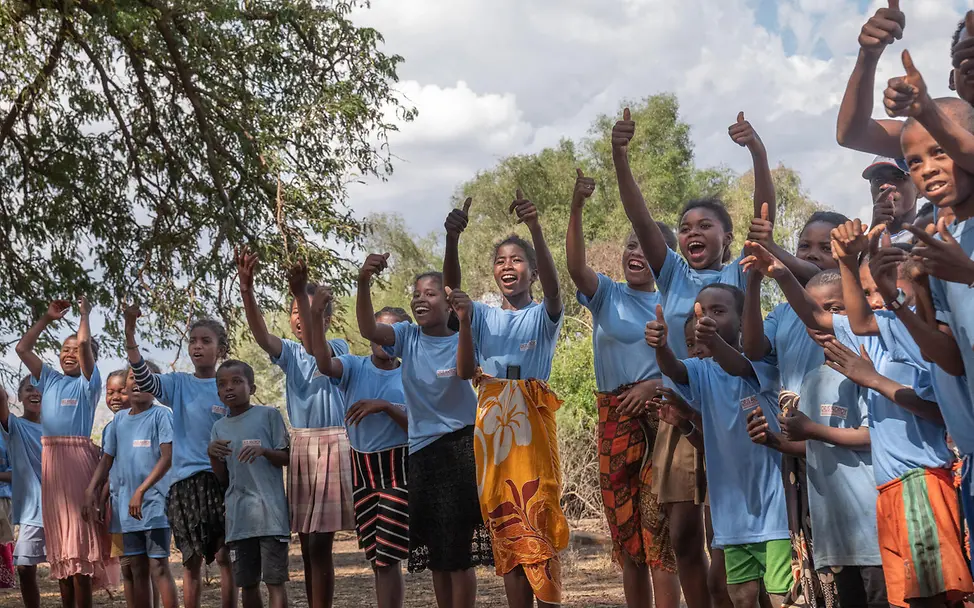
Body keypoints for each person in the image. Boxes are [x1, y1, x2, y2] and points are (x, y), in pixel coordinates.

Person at [744, 234, 972, 608]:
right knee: (911, 598)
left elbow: (938, 410)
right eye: (866, 291)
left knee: (931, 597)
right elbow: (817, 316)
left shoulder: (924, 341)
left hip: (920, 480)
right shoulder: (878, 333)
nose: (873, 300)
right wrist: (782, 274)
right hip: (890, 488)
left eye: (883, 289)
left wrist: (872, 380)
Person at [614, 107, 772, 608]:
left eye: (706, 225)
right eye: (685, 227)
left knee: (727, 530)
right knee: (683, 534)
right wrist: (620, 155)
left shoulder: (745, 271)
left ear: (727, 235)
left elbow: (764, 215)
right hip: (681, 412)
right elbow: (639, 215)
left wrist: (757, 151)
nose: (693, 232)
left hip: (733, 411)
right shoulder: (675, 276)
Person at [443, 190, 570, 608]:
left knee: (539, 512)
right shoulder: (480, 314)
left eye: (517, 260)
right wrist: (452, 240)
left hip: (531, 419)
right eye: (500, 261)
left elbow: (554, 290)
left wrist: (535, 225)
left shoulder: (542, 314)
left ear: (532, 271)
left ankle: (548, 599)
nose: (507, 266)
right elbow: (452, 293)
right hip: (492, 422)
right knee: (506, 523)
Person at [566, 166, 680, 608]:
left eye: (646, 245)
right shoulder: (607, 295)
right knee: (626, 536)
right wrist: (576, 206)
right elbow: (576, 267)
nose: (636, 251)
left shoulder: (676, 301)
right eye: (630, 244)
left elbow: (694, 364)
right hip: (612, 417)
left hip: (663, 419)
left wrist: (654, 383)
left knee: (659, 537)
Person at [744, 268, 888, 608]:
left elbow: (874, 436)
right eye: (812, 310)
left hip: (874, 531)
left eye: (836, 308)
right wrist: (774, 441)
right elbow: (817, 448)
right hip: (835, 534)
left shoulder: (867, 370)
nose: (824, 319)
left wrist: (812, 430)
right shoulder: (811, 380)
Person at [357, 256, 492, 608]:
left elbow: (464, 372)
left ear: (447, 302)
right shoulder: (406, 336)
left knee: (458, 552)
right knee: (434, 550)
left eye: (430, 293)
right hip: (421, 453)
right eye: (416, 293)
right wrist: (363, 282)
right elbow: (369, 332)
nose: (420, 299)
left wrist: (464, 323)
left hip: (460, 448)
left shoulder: (465, 335)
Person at [645, 285, 790, 608]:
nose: (707, 318)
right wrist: (661, 347)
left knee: (784, 597)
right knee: (741, 595)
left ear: (743, 322)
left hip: (775, 514)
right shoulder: (703, 371)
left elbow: (737, 365)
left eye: (719, 311)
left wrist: (713, 342)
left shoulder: (760, 364)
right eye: (702, 312)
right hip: (731, 519)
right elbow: (675, 369)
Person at [741, 212, 847, 608]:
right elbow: (753, 349)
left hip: (839, 434)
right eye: (806, 245)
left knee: (842, 541)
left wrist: (777, 257)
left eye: (826, 248)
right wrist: (754, 281)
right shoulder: (784, 310)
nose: (814, 255)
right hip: (795, 438)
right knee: (805, 534)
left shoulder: (845, 306)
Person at [235, 248, 351, 608]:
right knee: (307, 540)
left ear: (327, 318)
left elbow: (316, 348)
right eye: (295, 312)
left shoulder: (338, 347)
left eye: (310, 312)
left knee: (322, 543)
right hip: (302, 447)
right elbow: (260, 335)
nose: (300, 317)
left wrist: (303, 294)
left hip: (333, 445)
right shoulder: (288, 352)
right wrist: (247, 289)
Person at [125, 306, 236, 608]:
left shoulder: (228, 387)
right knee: (191, 562)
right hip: (185, 485)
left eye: (206, 341)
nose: (197, 346)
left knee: (226, 556)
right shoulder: (179, 384)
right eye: (193, 340)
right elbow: (147, 382)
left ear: (221, 349)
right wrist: (131, 335)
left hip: (222, 482)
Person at [307, 291, 411, 608]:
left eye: (392, 333)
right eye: (379, 331)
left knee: (387, 556)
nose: (384, 339)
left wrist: (383, 406)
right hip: (362, 472)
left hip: (397, 471)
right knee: (375, 556)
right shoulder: (354, 366)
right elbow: (323, 362)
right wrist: (316, 316)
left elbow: (417, 424)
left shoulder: (411, 373)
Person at [15, 298, 117, 607]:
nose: (69, 353)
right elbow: (22, 349)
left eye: (76, 350)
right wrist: (46, 318)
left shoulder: (89, 382)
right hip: (52, 468)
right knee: (60, 549)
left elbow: (84, 343)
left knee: (79, 547)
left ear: (89, 359)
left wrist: (84, 316)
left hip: (77, 463)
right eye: (64, 349)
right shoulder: (48, 379)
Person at [84, 368, 178, 608]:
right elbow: (107, 459)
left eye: (145, 378)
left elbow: (167, 458)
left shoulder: (162, 415)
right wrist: (91, 490)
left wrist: (141, 490)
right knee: (135, 567)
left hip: (154, 506)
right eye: (133, 377)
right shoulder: (119, 420)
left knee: (158, 566)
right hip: (125, 510)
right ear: (126, 384)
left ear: (156, 385)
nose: (138, 382)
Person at [835, 1, 974, 157]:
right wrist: (868, 55)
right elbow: (853, 135)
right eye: (966, 55)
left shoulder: (934, 122)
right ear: (952, 80)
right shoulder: (930, 133)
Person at [208, 360, 291, 608]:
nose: (229, 388)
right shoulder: (218, 428)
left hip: (271, 516)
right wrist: (212, 455)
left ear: (252, 387)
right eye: (222, 385)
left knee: (275, 581)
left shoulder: (269, 415)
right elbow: (223, 478)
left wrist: (264, 451)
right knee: (248, 583)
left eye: (236, 381)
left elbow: (286, 457)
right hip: (239, 517)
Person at [1, 378, 45, 608]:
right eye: (29, 388)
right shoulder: (15, 427)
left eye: (41, 388)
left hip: (63, 506)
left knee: (69, 570)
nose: (36, 392)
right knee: (25, 567)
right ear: (18, 396)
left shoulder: (58, 428)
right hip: (33, 511)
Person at [861, 157, 918, 243]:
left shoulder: (935, 234)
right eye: (878, 180)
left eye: (898, 178)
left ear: (919, 189)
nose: (885, 186)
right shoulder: (857, 246)